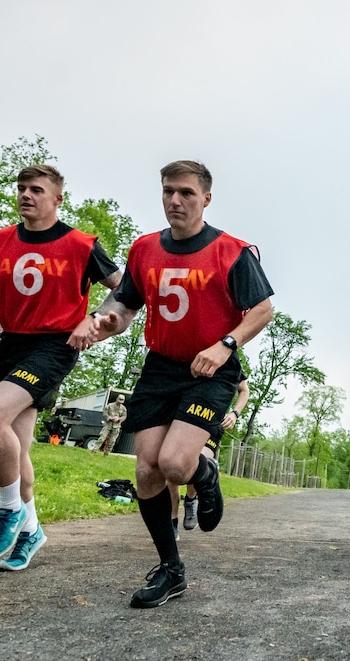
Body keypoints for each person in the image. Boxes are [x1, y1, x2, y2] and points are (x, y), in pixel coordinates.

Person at [83, 160, 274, 608]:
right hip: (159, 368)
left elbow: (263, 309)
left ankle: (205, 475)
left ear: (206, 198)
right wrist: (105, 323)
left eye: (186, 192)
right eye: (168, 191)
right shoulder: (145, 248)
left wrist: (226, 344)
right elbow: (125, 306)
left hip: (210, 368)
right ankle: (171, 569)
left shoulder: (232, 250)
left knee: (173, 463)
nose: (175, 200)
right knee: (146, 471)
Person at [0, 164, 121, 572]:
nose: (26, 195)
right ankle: (31, 531)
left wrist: (95, 318)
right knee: (17, 448)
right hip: (10, 343)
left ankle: (8, 512)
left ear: (57, 199)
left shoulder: (81, 244)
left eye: (37, 189)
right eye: (22, 188)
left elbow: (125, 289)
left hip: (55, 345)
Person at [170, 374, 249, 538]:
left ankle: (191, 499)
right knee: (171, 469)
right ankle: (172, 522)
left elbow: (244, 390)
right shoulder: (186, 356)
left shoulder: (226, 357)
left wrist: (234, 413)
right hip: (182, 416)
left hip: (212, 420)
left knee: (197, 462)